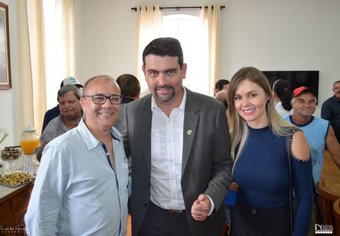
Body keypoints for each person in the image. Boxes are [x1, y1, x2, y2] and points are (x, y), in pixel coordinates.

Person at [122, 37, 233, 236]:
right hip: (150, 219)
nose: (162, 82)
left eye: (170, 72)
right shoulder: (132, 112)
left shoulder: (212, 110)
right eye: (153, 73)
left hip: (200, 221)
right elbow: (118, 160)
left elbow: (224, 166)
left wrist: (210, 198)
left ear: (183, 70)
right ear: (144, 72)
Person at [25, 75, 128, 235]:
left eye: (114, 98)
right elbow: (40, 218)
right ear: (84, 103)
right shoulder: (60, 150)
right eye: (99, 98)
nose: (107, 105)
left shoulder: (118, 141)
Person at [226, 67, 313, 236]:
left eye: (252, 95)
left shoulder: (293, 138)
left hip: (278, 226)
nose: (245, 103)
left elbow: (305, 199)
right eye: (238, 97)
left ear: (267, 95)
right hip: (241, 224)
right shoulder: (233, 138)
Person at [284, 86, 340, 186]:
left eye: (311, 101)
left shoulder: (325, 126)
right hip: (283, 189)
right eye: (301, 101)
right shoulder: (280, 125)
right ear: (292, 103)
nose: (307, 105)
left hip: (311, 189)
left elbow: (337, 156)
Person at [37, 84, 83, 161]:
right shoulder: (53, 126)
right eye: (62, 103)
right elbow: (40, 158)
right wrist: (44, 151)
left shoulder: (92, 123)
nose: (66, 106)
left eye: (71, 102)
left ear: (81, 102)